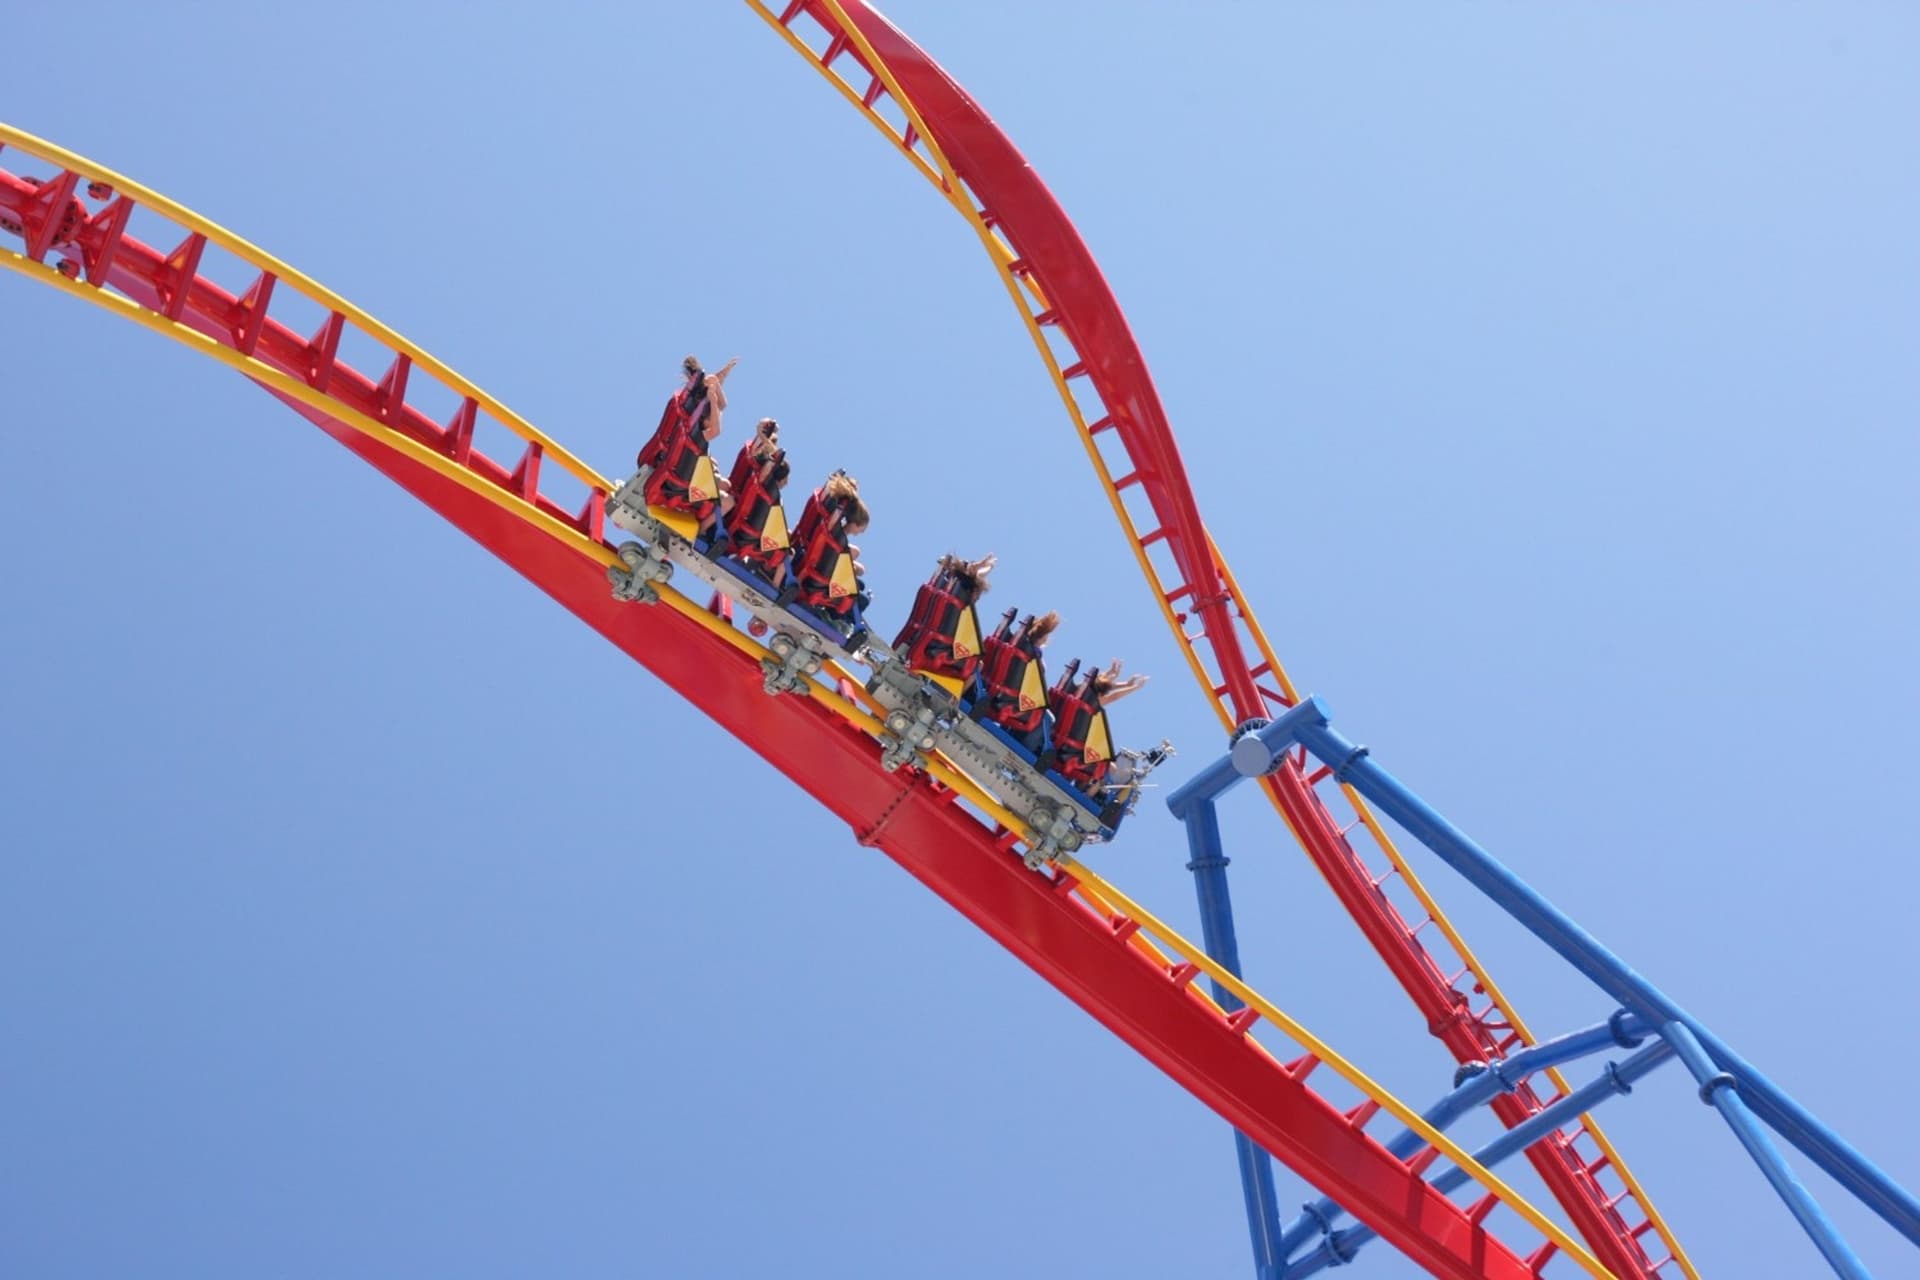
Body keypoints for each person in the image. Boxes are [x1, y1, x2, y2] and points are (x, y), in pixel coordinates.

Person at [638, 355, 738, 533]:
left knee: (722, 480)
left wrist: (718, 381)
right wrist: (714, 401)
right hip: (677, 485)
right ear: (706, 420)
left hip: (669, 466)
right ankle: (701, 530)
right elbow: (716, 428)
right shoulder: (696, 436)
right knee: (727, 498)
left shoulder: (684, 414)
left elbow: (719, 405)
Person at [893, 553, 996, 692]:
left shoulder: (940, 593)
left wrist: (982, 567)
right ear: (972, 592)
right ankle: (953, 702)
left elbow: (964, 574)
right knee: (978, 665)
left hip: (913, 641)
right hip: (934, 653)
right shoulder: (962, 610)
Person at [788, 471, 870, 625]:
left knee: (859, 584)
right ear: (855, 523)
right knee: (860, 597)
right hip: (815, 577)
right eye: (862, 529)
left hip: (802, 554)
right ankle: (838, 623)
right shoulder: (836, 538)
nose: (860, 534)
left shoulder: (829, 524)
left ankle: (837, 617)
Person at [716, 416, 792, 580]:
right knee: (785, 550)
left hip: (740, 518)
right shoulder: (761, 478)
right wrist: (762, 436)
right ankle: (775, 585)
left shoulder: (758, 473)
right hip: (743, 526)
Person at [975, 609, 1057, 756]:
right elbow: (1036, 691)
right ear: (1043, 637)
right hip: (1006, 703)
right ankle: (1024, 753)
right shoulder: (1035, 659)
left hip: (984, 688)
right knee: (1047, 718)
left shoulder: (1005, 641)